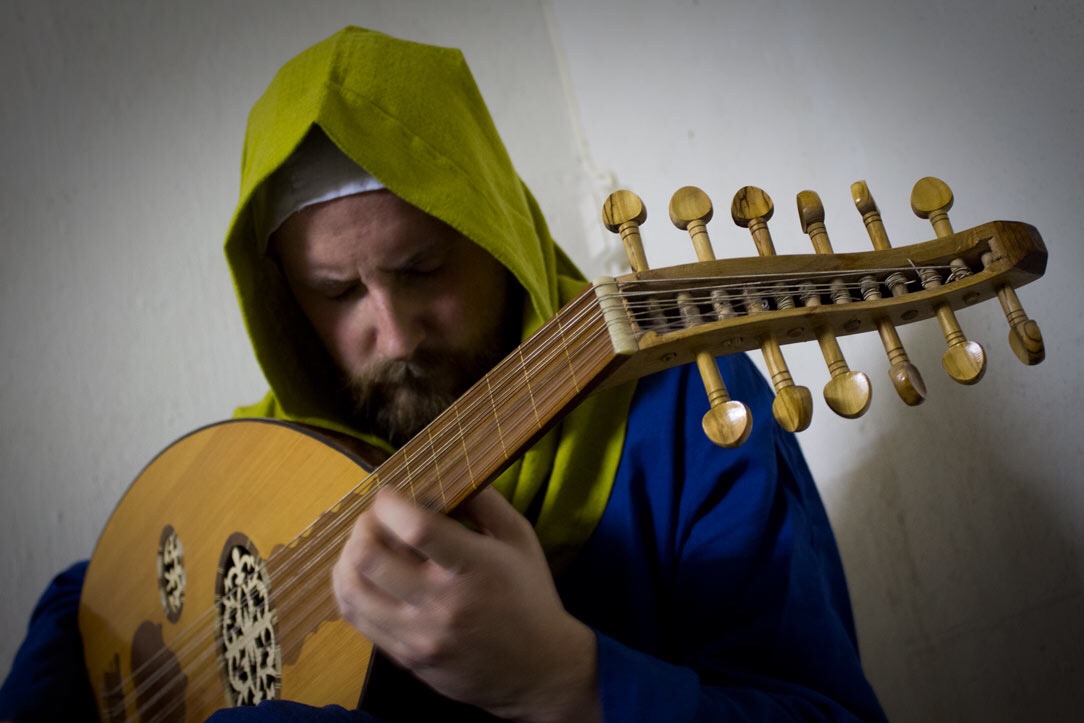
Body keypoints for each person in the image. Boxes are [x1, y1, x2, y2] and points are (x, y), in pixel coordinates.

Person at [0, 27, 886, 722]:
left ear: (502, 239)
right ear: (285, 306)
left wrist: (567, 680)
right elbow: (97, 597)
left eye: (423, 269)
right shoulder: (275, 455)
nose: (395, 334)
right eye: (337, 292)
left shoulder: (690, 411)